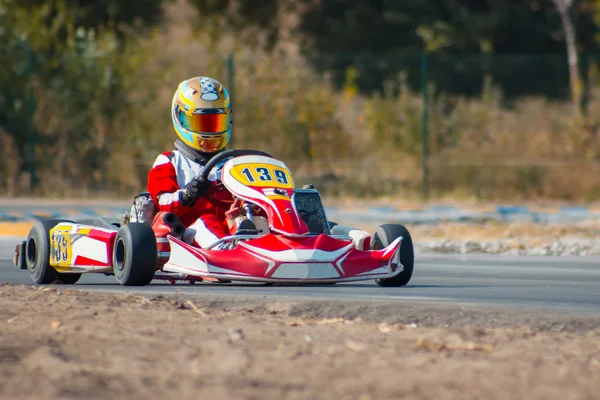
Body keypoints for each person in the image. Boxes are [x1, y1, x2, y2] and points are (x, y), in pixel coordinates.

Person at [147, 76, 239, 248]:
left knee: (254, 221)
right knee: (206, 222)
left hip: (231, 230)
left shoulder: (234, 163)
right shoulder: (170, 161)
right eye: (201, 122)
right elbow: (163, 203)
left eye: (216, 122)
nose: (210, 132)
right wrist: (188, 194)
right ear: (180, 117)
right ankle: (223, 251)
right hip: (186, 236)